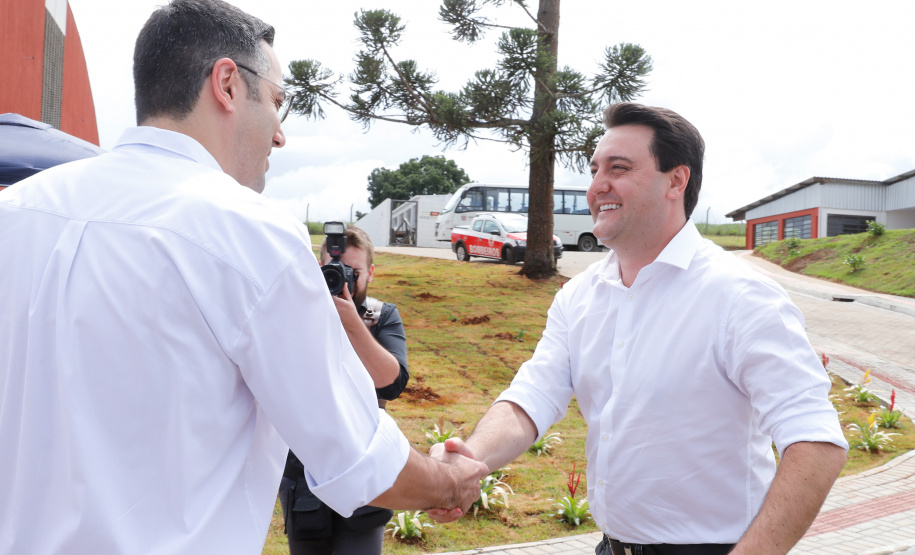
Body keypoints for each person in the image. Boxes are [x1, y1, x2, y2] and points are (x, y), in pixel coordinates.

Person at [0, 1, 486, 553]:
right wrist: (450, 480)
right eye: (278, 103)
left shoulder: (16, 212)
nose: (280, 136)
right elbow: (357, 456)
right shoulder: (249, 233)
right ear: (227, 83)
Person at [432, 102, 848, 555]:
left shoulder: (742, 297)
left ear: (676, 180)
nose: (597, 186)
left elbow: (816, 441)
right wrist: (467, 463)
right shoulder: (579, 295)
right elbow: (533, 397)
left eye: (620, 168)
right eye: (595, 169)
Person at [280, 225, 409, 555]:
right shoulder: (296, 313)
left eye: (354, 272)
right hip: (304, 470)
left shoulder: (381, 316)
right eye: (334, 271)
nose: (344, 280)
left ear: (371, 273)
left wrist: (353, 323)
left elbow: (392, 383)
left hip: (363, 464)